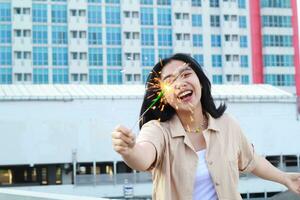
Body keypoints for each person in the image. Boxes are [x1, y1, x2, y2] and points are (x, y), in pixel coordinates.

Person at [112, 53, 300, 200]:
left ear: (200, 81)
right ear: (164, 97)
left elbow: (252, 160)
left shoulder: (227, 124)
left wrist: (284, 178)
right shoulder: (157, 130)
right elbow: (143, 157)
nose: (180, 83)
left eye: (186, 74)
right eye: (170, 81)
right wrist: (129, 150)